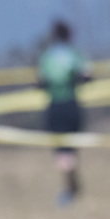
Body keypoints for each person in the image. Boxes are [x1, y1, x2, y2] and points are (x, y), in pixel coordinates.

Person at [37, 20, 91, 206]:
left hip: (56, 107)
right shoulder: (74, 53)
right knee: (71, 150)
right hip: (72, 106)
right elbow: (86, 75)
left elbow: (41, 81)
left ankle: (70, 190)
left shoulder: (48, 56)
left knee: (62, 152)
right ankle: (72, 187)